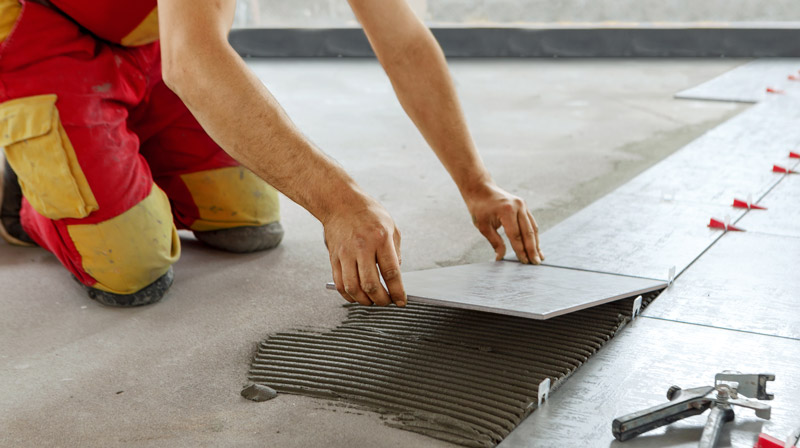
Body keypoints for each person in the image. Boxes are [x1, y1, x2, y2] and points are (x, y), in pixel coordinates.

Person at [0, 0, 544, 307]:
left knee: (246, 220)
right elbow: (192, 64)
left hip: (148, 32)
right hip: (37, 28)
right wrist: (339, 202)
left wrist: (476, 183)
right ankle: (25, 197)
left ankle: (114, 141)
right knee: (132, 267)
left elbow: (401, 41)